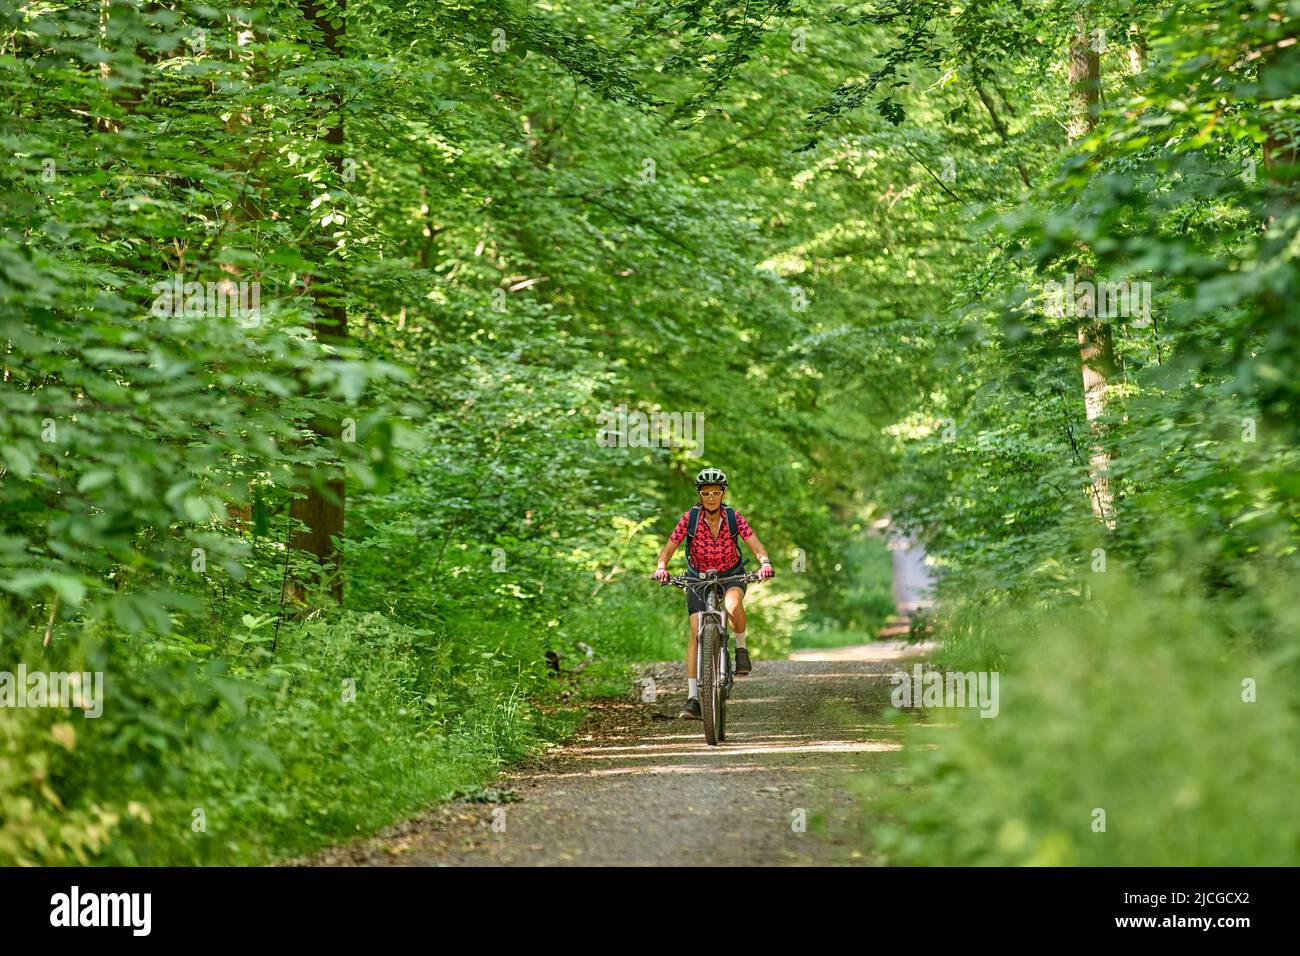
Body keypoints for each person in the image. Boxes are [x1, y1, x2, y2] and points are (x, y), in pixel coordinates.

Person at [653, 467, 774, 719]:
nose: (710, 497)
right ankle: (693, 698)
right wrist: (662, 568)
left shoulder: (733, 517)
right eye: (706, 492)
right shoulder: (690, 519)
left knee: (731, 606)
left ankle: (740, 649)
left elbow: (755, 544)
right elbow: (668, 549)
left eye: (715, 492)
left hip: (731, 573)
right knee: (696, 631)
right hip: (697, 577)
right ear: (699, 494)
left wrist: (764, 563)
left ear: (723, 493)